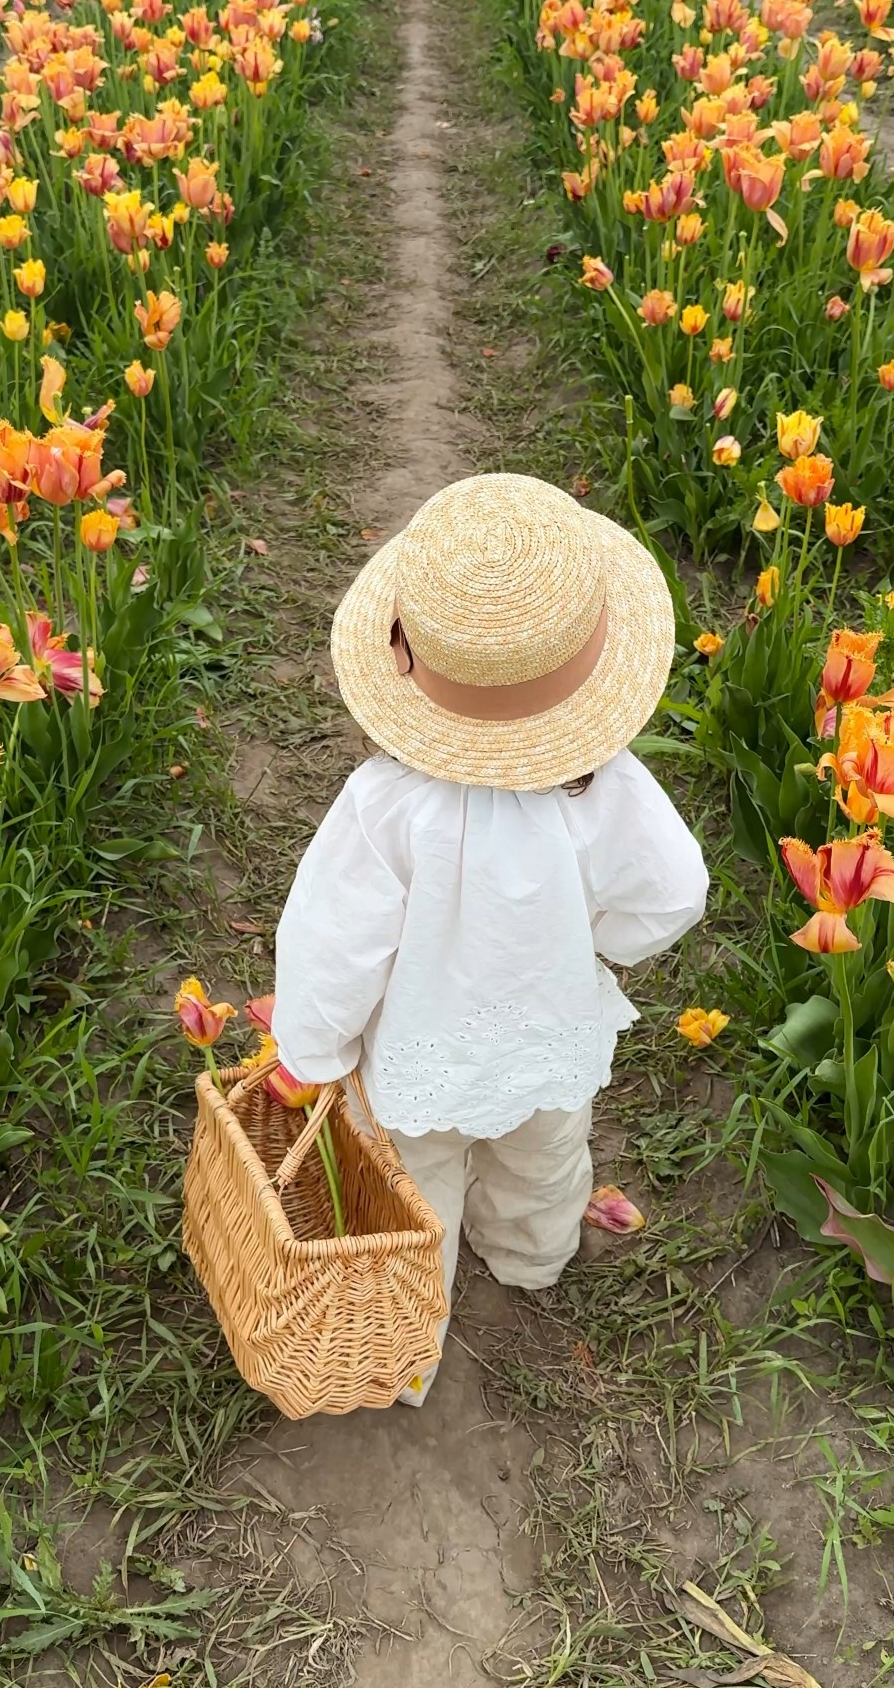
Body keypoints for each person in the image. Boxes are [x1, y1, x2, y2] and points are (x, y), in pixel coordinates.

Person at [272, 472, 708, 1403]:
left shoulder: (384, 808)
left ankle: (408, 1343)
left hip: (419, 1053)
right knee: (544, 1158)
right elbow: (674, 891)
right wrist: (601, 940)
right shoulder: (606, 786)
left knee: (412, 1189)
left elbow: (334, 940)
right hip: (551, 1035)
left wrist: (316, 1047)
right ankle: (531, 1257)